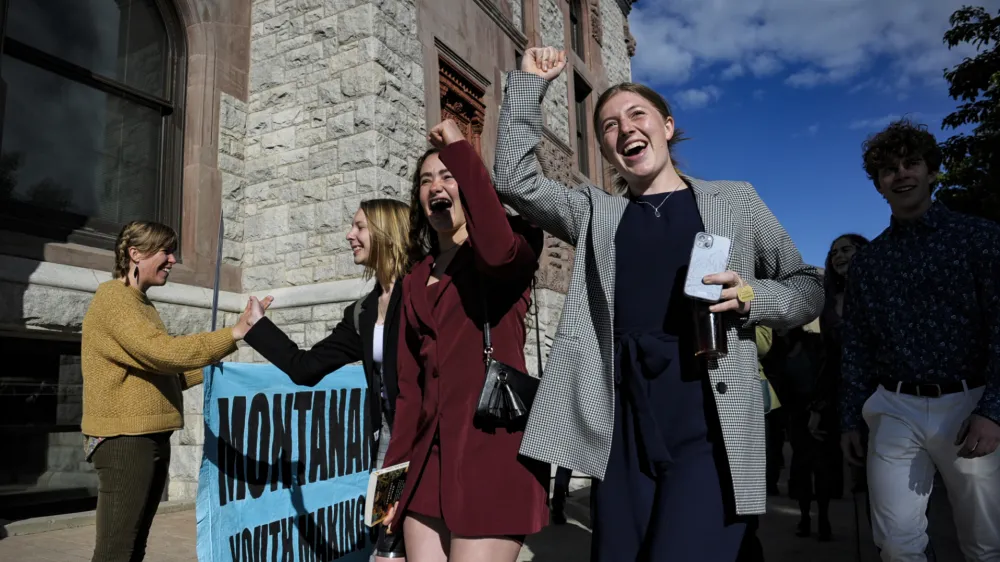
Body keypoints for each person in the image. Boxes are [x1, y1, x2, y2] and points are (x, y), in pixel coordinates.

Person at [493, 47, 825, 561]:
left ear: (667, 127)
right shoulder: (594, 212)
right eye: (607, 126)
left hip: (705, 411)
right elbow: (515, 181)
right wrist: (529, 87)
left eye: (636, 114)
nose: (624, 128)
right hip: (620, 416)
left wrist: (753, 297)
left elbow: (808, 286)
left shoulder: (733, 200)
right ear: (605, 149)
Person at [381, 119, 548, 562]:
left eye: (448, 175)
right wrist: (386, 494)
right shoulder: (414, 280)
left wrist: (459, 147)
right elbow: (408, 396)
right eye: (426, 180)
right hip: (426, 469)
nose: (436, 185)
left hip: (491, 457)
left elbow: (496, 250)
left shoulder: (513, 245)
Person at [840, 118, 1000, 561]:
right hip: (894, 407)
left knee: (987, 545)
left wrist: (994, 410)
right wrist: (850, 418)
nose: (901, 174)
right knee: (894, 545)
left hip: (970, 404)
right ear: (878, 185)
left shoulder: (980, 238)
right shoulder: (870, 261)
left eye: (912, 163)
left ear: (932, 171)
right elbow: (857, 342)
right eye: (888, 169)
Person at [243, 198, 411, 561]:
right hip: (389, 455)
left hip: (427, 448)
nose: (350, 235)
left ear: (386, 232)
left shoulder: (422, 294)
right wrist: (258, 326)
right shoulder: (363, 312)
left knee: (415, 546)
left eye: (360, 226)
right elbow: (306, 367)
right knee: (387, 547)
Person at [81, 220, 259, 562]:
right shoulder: (114, 300)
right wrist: (233, 333)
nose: (173, 260)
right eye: (165, 250)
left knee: (133, 544)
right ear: (135, 253)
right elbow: (164, 353)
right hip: (125, 440)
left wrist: (214, 364)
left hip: (145, 437)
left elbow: (162, 373)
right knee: (116, 550)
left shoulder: (140, 303)